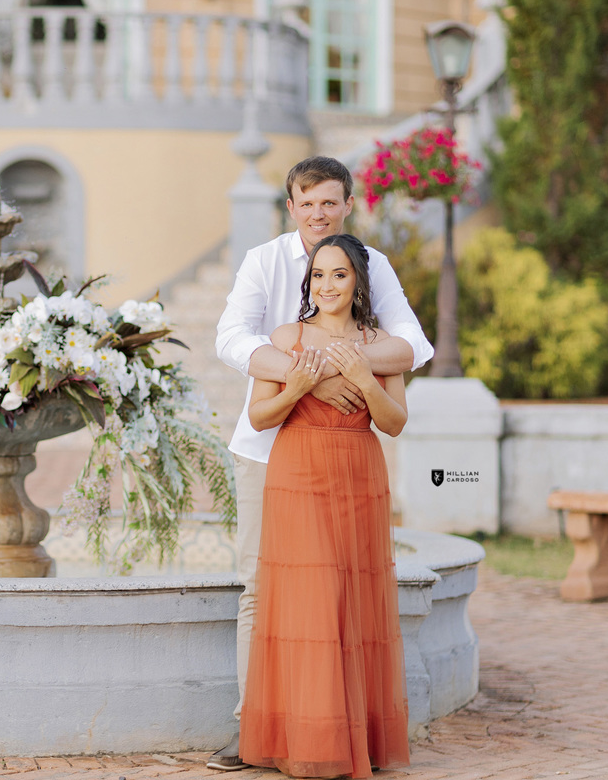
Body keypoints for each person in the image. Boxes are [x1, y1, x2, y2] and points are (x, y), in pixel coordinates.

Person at [209, 156, 431, 772]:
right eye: (307, 204)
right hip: (271, 451)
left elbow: (413, 344)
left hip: (351, 450)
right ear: (291, 207)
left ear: (347, 204)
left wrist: (339, 363)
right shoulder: (264, 261)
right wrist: (309, 377)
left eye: (329, 203)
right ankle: (254, 726)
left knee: (348, 590)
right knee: (263, 587)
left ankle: (344, 727)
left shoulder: (371, 263)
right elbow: (233, 341)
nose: (318, 213)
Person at [240, 233, 410, 777]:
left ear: (358, 280)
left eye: (339, 274)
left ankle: (357, 739)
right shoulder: (287, 336)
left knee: (355, 597)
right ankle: (308, 742)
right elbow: (261, 417)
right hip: (299, 472)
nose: (327, 285)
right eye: (318, 275)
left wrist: (363, 378)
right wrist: (299, 386)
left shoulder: (379, 343)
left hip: (360, 471)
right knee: (310, 599)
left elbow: (395, 422)